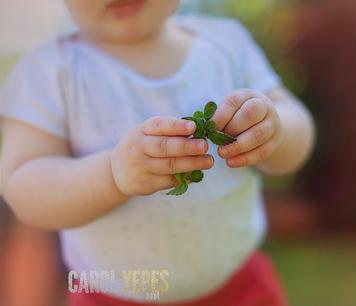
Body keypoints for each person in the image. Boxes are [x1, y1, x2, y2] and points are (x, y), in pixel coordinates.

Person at [0, 1, 315, 305]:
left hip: (241, 285)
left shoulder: (226, 44)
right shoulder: (47, 73)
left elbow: (297, 137)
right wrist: (112, 173)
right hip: (113, 297)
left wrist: (275, 130)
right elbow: (23, 184)